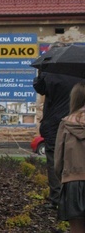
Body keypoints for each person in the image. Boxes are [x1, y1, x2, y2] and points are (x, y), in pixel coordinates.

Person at [33, 42, 83, 209]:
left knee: (55, 161)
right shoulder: (80, 74)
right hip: (80, 121)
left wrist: (42, 69)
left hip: (56, 125)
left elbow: (38, 87)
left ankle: (57, 199)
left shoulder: (51, 73)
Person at [55, 81, 85, 232]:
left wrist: (62, 176)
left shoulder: (66, 124)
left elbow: (58, 160)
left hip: (72, 181)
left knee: (77, 229)